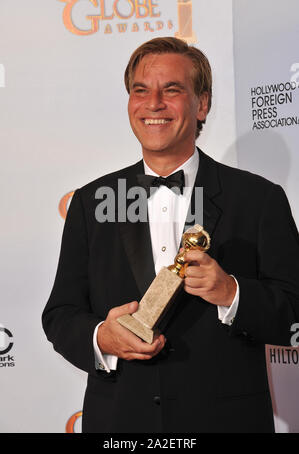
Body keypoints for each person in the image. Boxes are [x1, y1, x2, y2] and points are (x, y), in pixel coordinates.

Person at [42, 37, 299, 433]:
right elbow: (60, 315)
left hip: (226, 422)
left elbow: (293, 314)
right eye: (140, 90)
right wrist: (102, 338)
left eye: (172, 90)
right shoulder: (91, 202)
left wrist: (232, 293)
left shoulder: (260, 199)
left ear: (203, 104)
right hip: (121, 422)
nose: (153, 103)